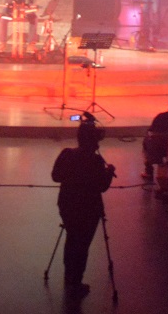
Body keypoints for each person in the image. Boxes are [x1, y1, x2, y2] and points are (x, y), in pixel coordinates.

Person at [51, 119, 115, 301]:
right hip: (89, 209)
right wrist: (109, 173)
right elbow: (102, 186)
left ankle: (69, 275)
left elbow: (55, 176)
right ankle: (76, 282)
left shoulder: (67, 154)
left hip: (67, 205)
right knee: (82, 245)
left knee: (72, 238)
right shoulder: (95, 161)